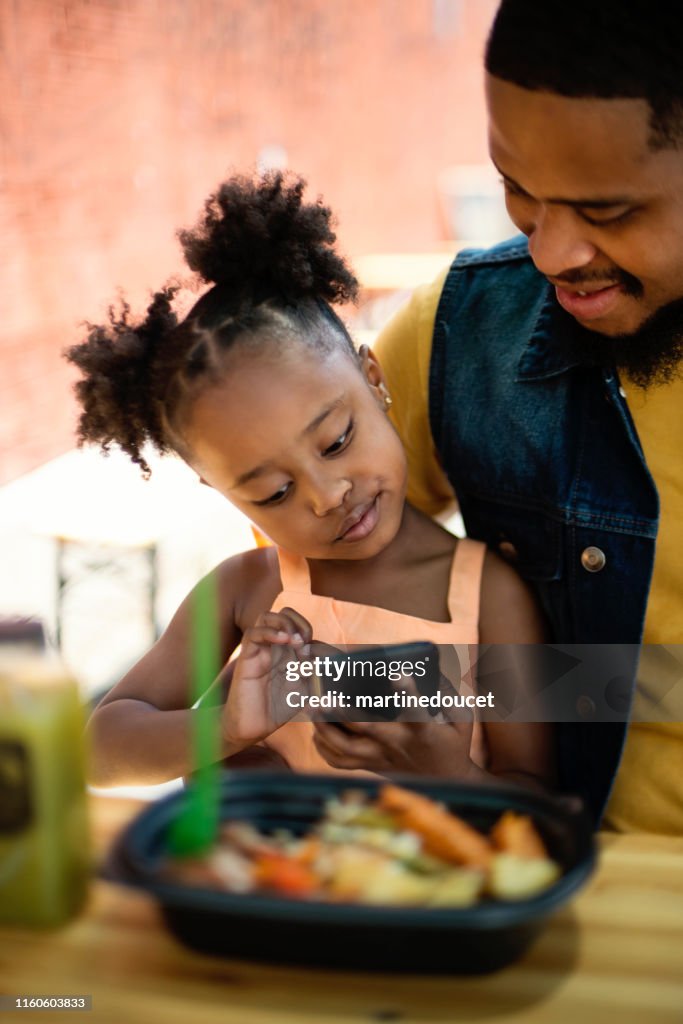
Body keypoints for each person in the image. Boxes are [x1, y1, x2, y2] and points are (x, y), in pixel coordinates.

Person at [66, 172, 553, 791]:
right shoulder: (247, 593)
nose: (327, 496)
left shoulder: (487, 596)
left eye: (336, 441)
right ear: (218, 490)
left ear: (374, 379)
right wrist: (227, 727)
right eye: (273, 492)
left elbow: (541, 798)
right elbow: (101, 748)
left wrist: (448, 772)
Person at [372, 0, 683, 831]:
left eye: (607, 212)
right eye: (516, 189)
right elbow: (316, 637)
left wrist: (527, 679)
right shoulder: (460, 334)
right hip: (543, 890)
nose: (549, 254)